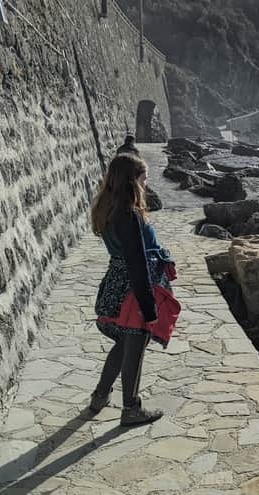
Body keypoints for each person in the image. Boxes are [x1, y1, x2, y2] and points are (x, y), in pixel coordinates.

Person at [88, 153, 173, 426]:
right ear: (132, 180)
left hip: (115, 282)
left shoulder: (107, 208)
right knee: (135, 346)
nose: (146, 184)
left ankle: (100, 396)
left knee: (123, 343)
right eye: (143, 178)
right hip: (132, 290)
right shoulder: (129, 214)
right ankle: (131, 409)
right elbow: (137, 264)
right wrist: (150, 310)